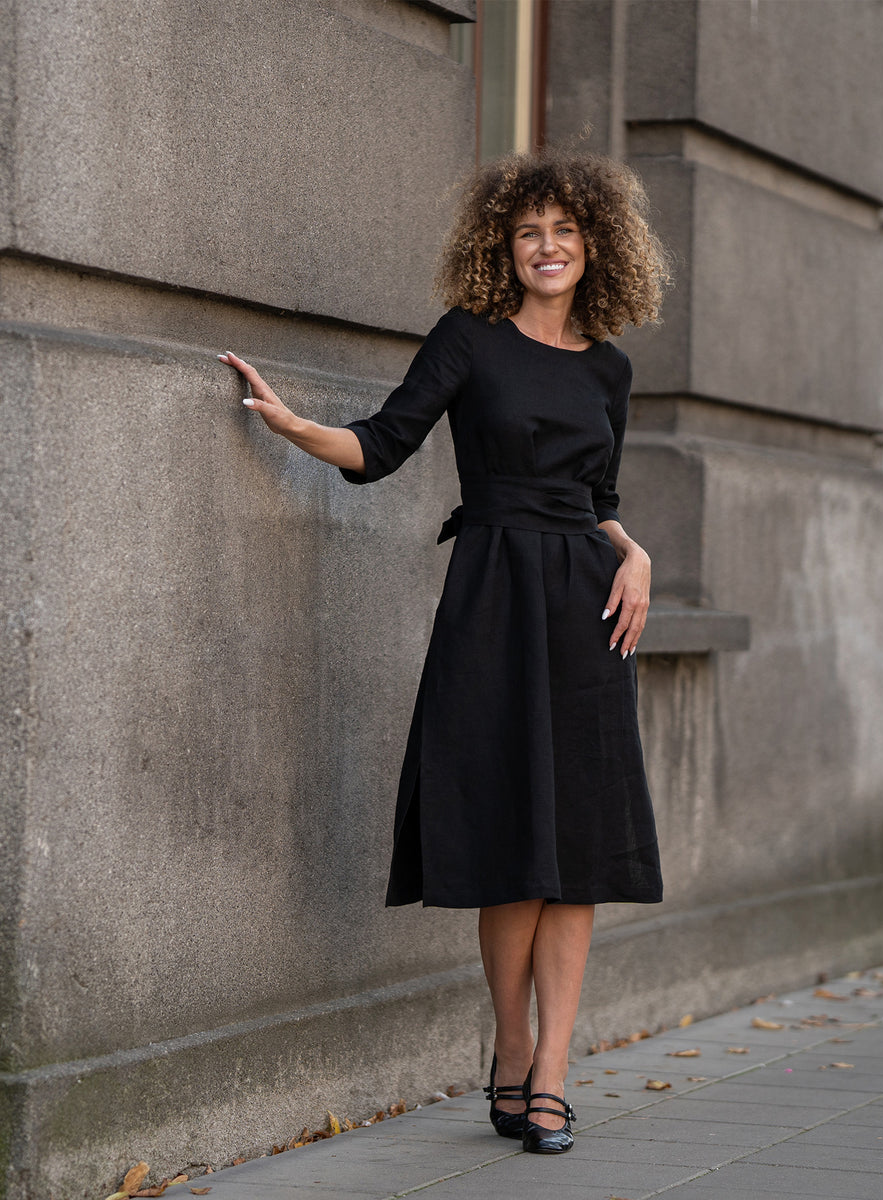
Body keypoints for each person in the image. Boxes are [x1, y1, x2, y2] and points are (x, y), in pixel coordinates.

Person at [218, 150, 669, 1156]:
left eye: (564, 229)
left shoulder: (610, 367)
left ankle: (552, 1076)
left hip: (588, 612)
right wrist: (293, 426)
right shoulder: (469, 338)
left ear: (595, 243)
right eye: (528, 231)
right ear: (502, 246)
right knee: (513, 842)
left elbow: (596, 500)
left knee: (577, 852)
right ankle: (512, 1043)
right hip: (493, 601)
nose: (547, 246)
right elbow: (382, 445)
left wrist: (635, 553)